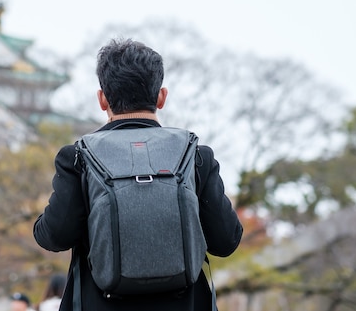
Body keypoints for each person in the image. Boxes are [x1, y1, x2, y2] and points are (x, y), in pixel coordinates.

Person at [33, 38, 243, 311]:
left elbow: (54, 236)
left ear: (102, 99)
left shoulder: (77, 157)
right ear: (161, 97)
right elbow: (226, 241)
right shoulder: (196, 156)